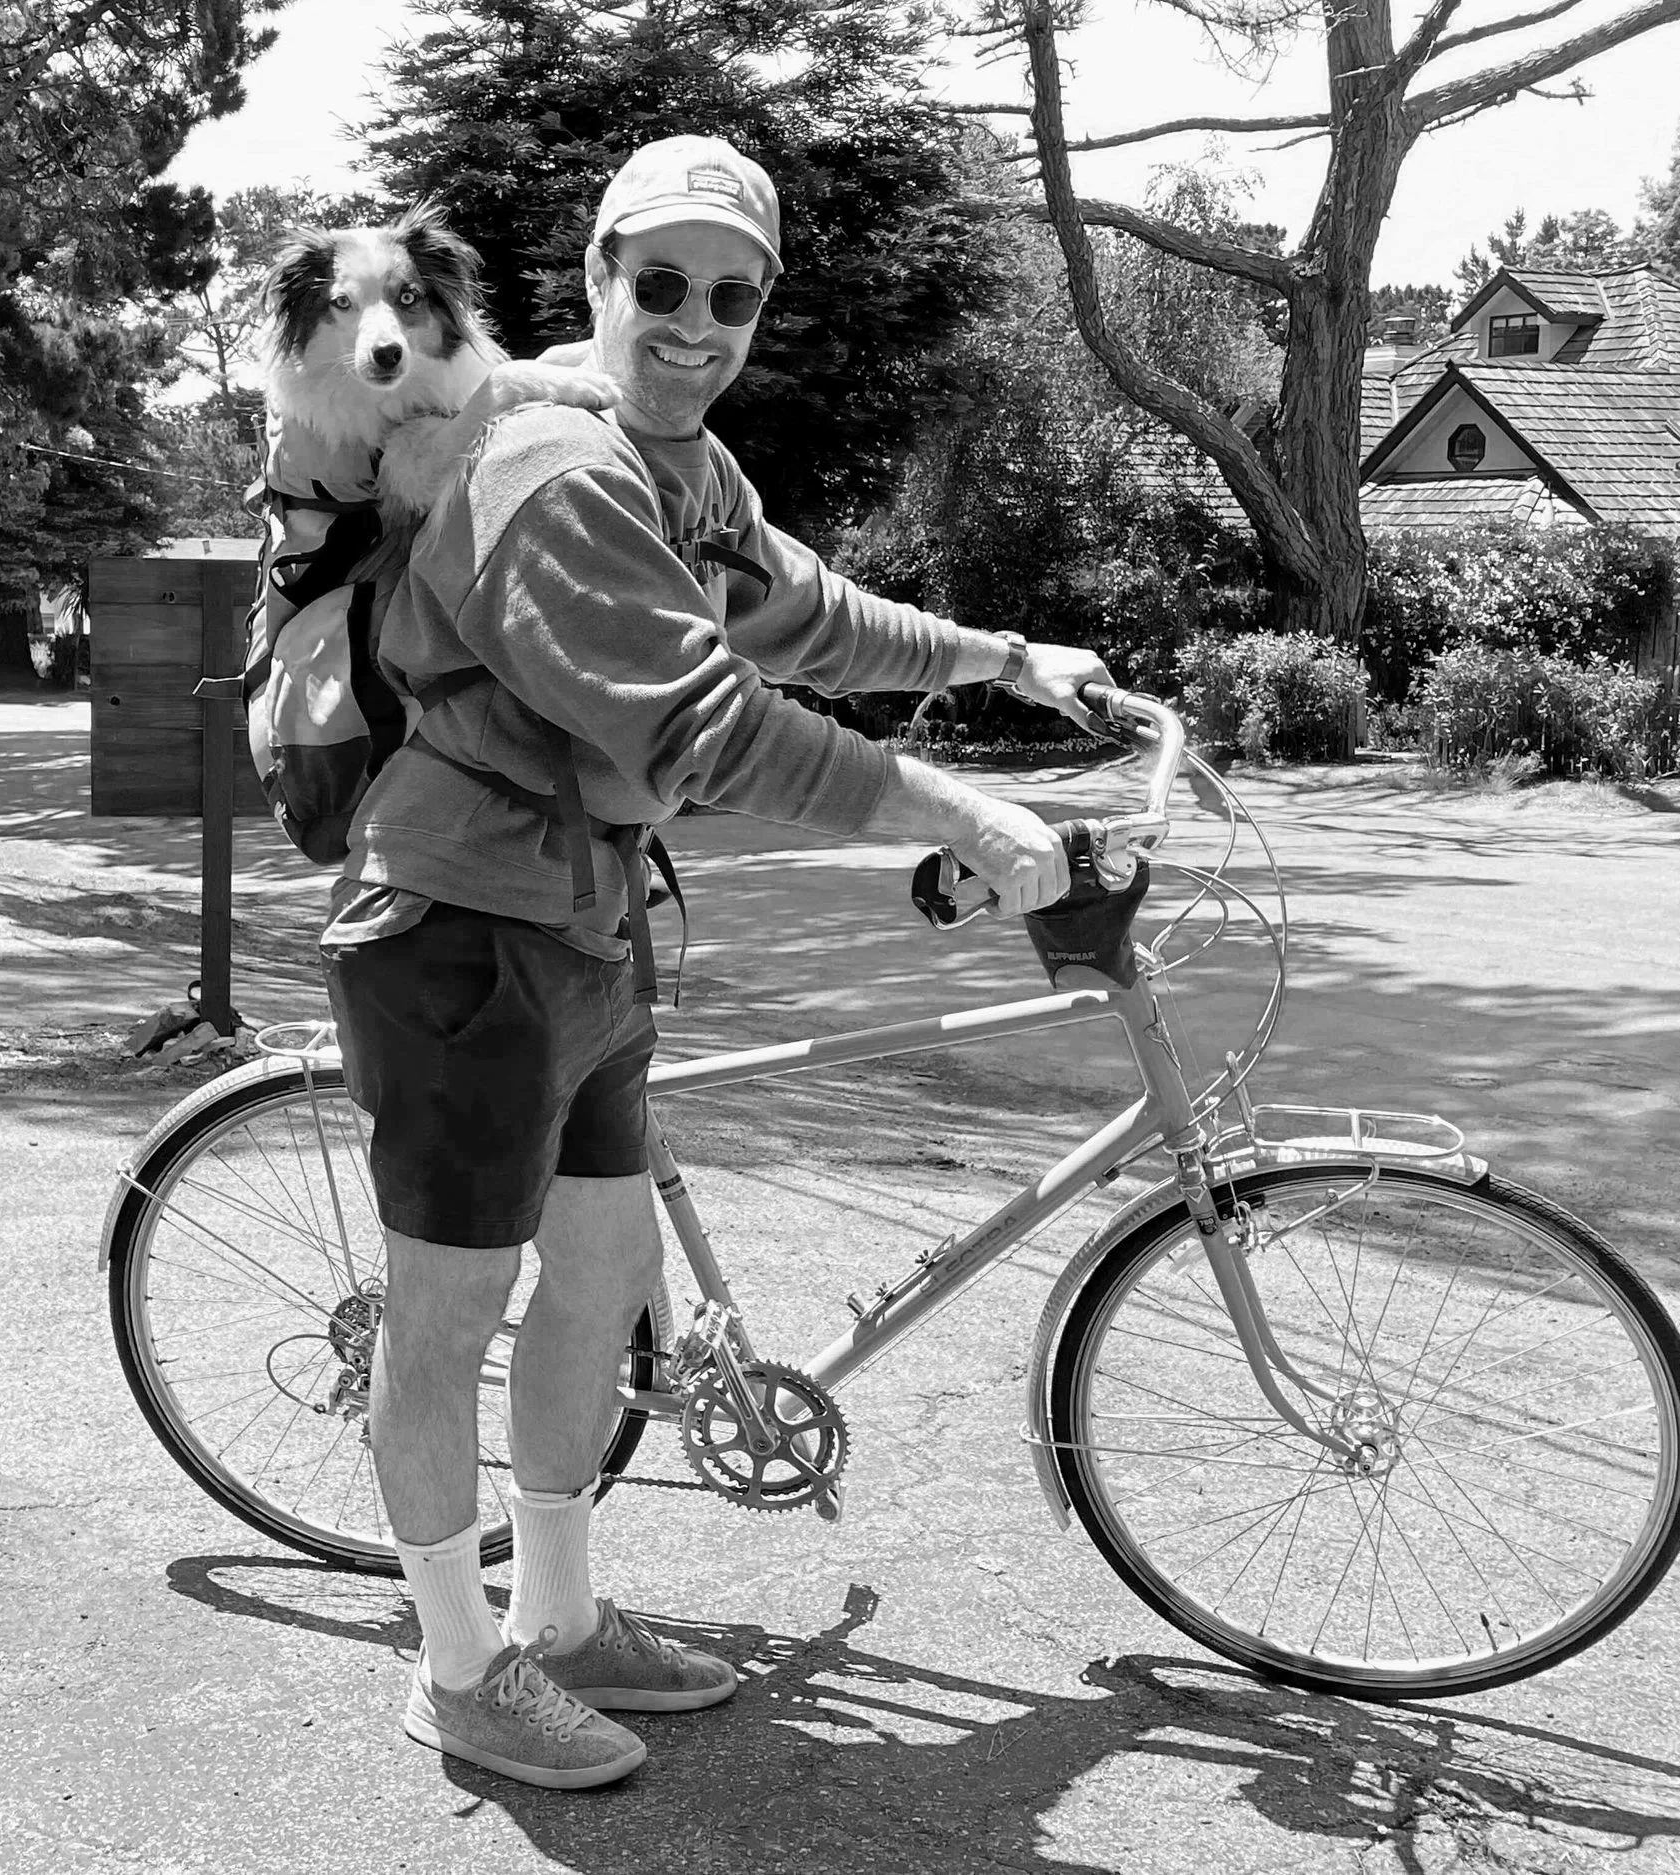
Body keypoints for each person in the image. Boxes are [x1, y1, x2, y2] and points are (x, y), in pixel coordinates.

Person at [321, 134, 1113, 1790]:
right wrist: (958, 806)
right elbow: (707, 722)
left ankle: (557, 1615)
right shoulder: (544, 471)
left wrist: (1003, 660)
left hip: (587, 920)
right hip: (459, 929)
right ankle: (456, 1666)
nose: (695, 322)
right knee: (447, 1316)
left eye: (732, 293)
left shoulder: (681, 466)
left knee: (598, 1282)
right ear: (597, 280)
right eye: (658, 283)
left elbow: (807, 616)